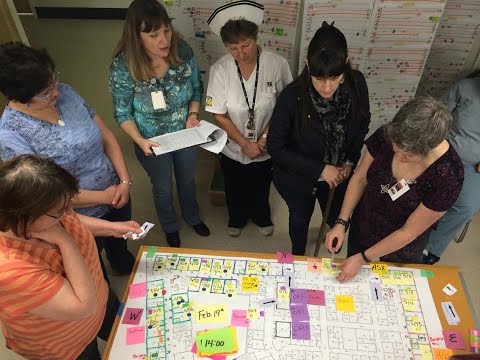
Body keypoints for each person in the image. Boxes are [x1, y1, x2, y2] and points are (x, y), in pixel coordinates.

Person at [0, 41, 135, 279]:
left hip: (117, 192)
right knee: (92, 268)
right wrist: (104, 196)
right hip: (76, 215)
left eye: (54, 80)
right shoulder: (11, 135)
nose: (56, 92)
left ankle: (121, 261)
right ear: (20, 97)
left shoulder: (67, 93)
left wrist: (124, 181)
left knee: (120, 245)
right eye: (45, 92)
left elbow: (106, 136)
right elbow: (43, 195)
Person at [0, 155, 141, 360]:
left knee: (130, 335)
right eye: (60, 211)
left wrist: (111, 228)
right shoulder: (9, 269)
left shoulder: (47, 214)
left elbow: (72, 219)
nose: (68, 213)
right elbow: (84, 306)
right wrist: (65, 241)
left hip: (102, 297)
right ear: (23, 217)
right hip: (68, 345)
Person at [326, 96, 464, 282]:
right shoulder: (390, 134)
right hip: (364, 225)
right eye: (395, 147)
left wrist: (363, 258)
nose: (397, 156)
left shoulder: (449, 176)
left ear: (428, 150)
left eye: (406, 155)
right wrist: (341, 222)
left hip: (400, 249)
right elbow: (359, 178)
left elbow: (408, 231)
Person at [109, 0, 209, 248]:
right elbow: (122, 114)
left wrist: (193, 115)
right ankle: (170, 225)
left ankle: (192, 216)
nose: (163, 40)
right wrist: (139, 140)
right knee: (163, 187)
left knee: (187, 180)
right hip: (150, 140)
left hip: (184, 133)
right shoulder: (123, 67)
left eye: (166, 30)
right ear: (137, 37)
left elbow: (196, 88)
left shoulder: (182, 52)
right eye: (153, 35)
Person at [268, 22, 370, 255]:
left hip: (340, 173)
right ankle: (298, 254)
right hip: (299, 177)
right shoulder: (292, 96)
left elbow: (362, 122)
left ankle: (332, 242)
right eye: (318, 79)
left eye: (334, 78)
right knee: (299, 218)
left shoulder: (357, 83)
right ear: (307, 65)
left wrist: (349, 162)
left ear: (345, 65)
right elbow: (276, 146)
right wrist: (321, 169)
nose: (326, 88)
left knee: (336, 217)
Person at [205, 1, 293, 237]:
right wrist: (244, 143)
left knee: (261, 183)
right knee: (234, 184)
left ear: (256, 37)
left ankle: (260, 215)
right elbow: (218, 114)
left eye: (246, 45)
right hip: (233, 144)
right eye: (233, 48)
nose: (241, 53)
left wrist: (263, 139)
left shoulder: (277, 64)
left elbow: (285, 107)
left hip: (267, 141)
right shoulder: (220, 69)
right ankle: (236, 217)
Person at [421, 70, 480, 264]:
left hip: (474, 167)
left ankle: (431, 248)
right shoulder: (465, 87)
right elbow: (435, 117)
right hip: (445, 155)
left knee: (467, 206)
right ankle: (409, 235)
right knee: (420, 190)